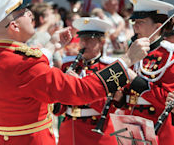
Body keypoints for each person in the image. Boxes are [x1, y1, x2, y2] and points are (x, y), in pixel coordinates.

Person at [0, 0, 150, 145]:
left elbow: (25, 65)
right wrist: (126, 60)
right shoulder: (26, 64)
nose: (30, 14)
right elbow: (80, 90)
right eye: (24, 11)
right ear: (14, 26)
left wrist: (50, 47)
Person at [114, 0, 174, 145]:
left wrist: (137, 82)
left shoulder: (173, 55)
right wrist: (118, 97)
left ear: (157, 26)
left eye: (140, 22)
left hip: (159, 130)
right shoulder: (132, 52)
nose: (135, 26)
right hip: (130, 126)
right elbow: (126, 96)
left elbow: (171, 100)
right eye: (134, 22)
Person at [54, 17, 125, 145]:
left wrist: (79, 85)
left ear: (102, 42)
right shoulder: (68, 64)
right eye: (82, 39)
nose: (84, 43)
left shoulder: (109, 68)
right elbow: (60, 105)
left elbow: (112, 106)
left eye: (90, 39)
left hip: (97, 131)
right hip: (70, 129)